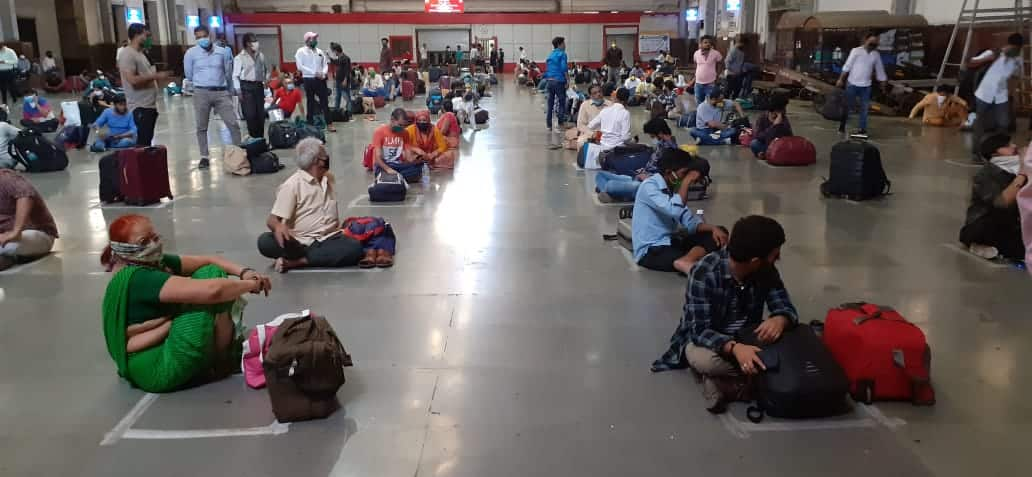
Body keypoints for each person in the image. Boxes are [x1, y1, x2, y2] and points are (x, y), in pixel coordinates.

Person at [101, 214, 273, 393]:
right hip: (158, 368)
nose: (154, 243)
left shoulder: (150, 264)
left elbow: (208, 259)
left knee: (209, 273)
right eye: (145, 240)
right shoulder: (141, 278)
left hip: (147, 359)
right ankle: (222, 360)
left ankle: (219, 355)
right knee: (211, 277)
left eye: (154, 236)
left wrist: (245, 272)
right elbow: (214, 291)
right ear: (125, 248)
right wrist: (251, 284)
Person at [652, 215, 797, 413]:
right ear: (755, 261)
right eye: (774, 255)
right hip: (710, 343)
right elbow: (700, 331)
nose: (777, 259)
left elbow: (784, 306)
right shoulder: (704, 273)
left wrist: (781, 318)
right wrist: (735, 349)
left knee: (792, 340)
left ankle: (731, 384)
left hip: (747, 336)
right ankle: (755, 379)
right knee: (706, 361)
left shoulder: (766, 270)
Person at [256, 138, 364, 272]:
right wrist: (278, 227)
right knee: (265, 241)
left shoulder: (327, 178)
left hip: (328, 239)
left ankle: (297, 262)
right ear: (316, 161)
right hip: (300, 243)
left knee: (355, 248)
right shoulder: (292, 185)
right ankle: (308, 258)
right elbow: (272, 219)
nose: (327, 158)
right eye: (325, 156)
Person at [631, 148, 726, 273]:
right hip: (651, 251)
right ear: (669, 172)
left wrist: (713, 228)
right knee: (704, 260)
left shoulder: (672, 189)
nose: (687, 177)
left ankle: (687, 260)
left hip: (672, 242)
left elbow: (689, 222)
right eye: (684, 173)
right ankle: (688, 260)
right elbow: (674, 211)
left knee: (719, 233)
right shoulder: (649, 186)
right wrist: (685, 183)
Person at [959, 134, 1027, 261]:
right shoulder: (985, 175)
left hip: (1011, 225)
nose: (1014, 147)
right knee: (989, 224)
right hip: (986, 225)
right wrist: (1023, 172)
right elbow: (1002, 202)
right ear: (995, 153)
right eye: (1008, 145)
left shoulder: (1016, 171)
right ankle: (976, 243)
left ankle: (995, 248)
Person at [185, 25, 241, 169]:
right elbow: (189, 75)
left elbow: (228, 73)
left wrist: (230, 91)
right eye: (198, 37)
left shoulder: (223, 52)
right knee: (201, 126)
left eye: (203, 36)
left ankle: (239, 152)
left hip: (221, 92)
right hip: (201, 92)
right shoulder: (190, 54)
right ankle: (204, 156)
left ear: (209, 35)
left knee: (233, 123)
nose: (201, 39)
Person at [968, 33, 1024, 163]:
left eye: (1018, 48)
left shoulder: (1018, 59)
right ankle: (976, 153)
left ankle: (999, 149)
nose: (1016, 50)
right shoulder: (994, 52)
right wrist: (988, 58)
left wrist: (1011, 93)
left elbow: (1015, 77)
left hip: (1001, 95)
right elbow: (971, 62)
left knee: (1004, 124)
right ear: (1009, 45)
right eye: (1013, 47)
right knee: (980, 123)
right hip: (985, 93)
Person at [595, 117, 678, 203]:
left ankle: (610, 192)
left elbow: (667, 177)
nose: (652, 139)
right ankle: (614, 194)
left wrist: (648, 177)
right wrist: (643, 172)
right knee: (600, 175)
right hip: (640, 177)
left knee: (610, 185)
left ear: (660, 133)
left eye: (652, 136)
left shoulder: (671, 150)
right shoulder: (661, 145)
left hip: (648, 184)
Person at [119, 23, 168, 147]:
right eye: (146, 35)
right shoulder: (127, 54)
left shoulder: (140, 54)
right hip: (139, 107)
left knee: (146, 142)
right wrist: (155, 76)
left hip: (148, 106)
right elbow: (132, 80)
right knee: (142, 145)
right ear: (137, 35)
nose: (148, 38)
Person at [0, 169, 58, 270]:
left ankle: (9, 257)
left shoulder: (6, 177)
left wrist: (16, 231)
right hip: (5, 238)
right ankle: (9, 258)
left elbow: (26, 195)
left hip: (36, 234)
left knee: (10, 245)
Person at [835, 31, 888, 139]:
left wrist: (883, 84)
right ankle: (842, 126)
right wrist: (840, 79)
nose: (873, 45)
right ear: (866, 41)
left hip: (866, 86)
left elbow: (880, 70)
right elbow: (847, 66)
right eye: (871, 42)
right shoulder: (856, 51)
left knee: (864, 109)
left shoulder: (876, 55)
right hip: (852, 84)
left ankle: (862, 130)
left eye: (876, 43)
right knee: (847, 107)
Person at [233, 33, 269, 140]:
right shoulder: (239, 58)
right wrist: (238, 91)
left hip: (258, 86)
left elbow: (265, 70)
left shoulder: (261, 55)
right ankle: (254, 139)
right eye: (253, 41)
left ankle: (261, 139)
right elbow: (235, 76)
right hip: (246, 87)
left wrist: (266, 78)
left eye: (255, 40)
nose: (256, 43)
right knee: (250, 115)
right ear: (247, 43)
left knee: (260, 116)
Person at [372, 108, 422, 179]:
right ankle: (397, 176)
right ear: (392, 120)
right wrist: (388, 169)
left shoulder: (405, 133)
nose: (402, 128)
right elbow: (378, 158)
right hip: (383, 165)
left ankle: (395, 177)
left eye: (404, 126)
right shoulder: (379, 132)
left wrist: (417, 158)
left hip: (398, 165)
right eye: (400, 125)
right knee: (381, 171)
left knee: (418, 169)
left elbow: (408, 158)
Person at [295, 32, 331, 128]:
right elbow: (300, 66)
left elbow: (325, 64)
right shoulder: (301, 51)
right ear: (307, 40)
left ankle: (329, 123)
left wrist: (323, 73)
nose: (315, 40)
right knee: (310, 102)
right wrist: (314, 73)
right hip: (309, 79)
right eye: (313, 38)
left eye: (316, 38)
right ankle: (310, 123)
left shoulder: (319, 51)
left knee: (325, 102)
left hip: (320, 79)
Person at [588, 86, 632, 155]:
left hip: (602, 147)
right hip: (617, 149)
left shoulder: (605, 110)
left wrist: (602, 132)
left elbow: (590, 126)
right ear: (626, 100)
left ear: (616, 97)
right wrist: (632, 140)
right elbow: (625, 137)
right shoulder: (625, 113)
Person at [543, 37, 569, 133]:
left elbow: (548, 69)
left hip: (550, 81)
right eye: (564, 44)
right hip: (559, 81)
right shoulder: (562, 54)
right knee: (561, 102)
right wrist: (568, 79)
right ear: (559, 44)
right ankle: (560, 123)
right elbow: (563, 67)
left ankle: (549, 125)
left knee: (550, 103)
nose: (565, 45)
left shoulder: (550, 55)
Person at [693, 35, 723, 103]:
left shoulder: (716, 53)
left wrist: (717, 75)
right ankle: (700, 114)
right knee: (699, 102)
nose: (708, 44)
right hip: (698, 83)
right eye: (705, 42)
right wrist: (697, 73)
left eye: (709, 42)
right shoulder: (696, 53)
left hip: (710, 83)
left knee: (710, 103)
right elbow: (695, 64)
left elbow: (721, 64)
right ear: (701, 44)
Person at [329, 43, 353, 115]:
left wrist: (345, 80)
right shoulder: (339, 58)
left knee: (346, 97)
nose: (333, 53)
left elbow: (347, 70)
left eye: (334, 51)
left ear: (337, 50)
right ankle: (336, 111)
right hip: (338, 80)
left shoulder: (346, 58)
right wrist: (329, 57)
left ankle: (349, 113)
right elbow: (336, 63)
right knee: (338, 96)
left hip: (343, 81)